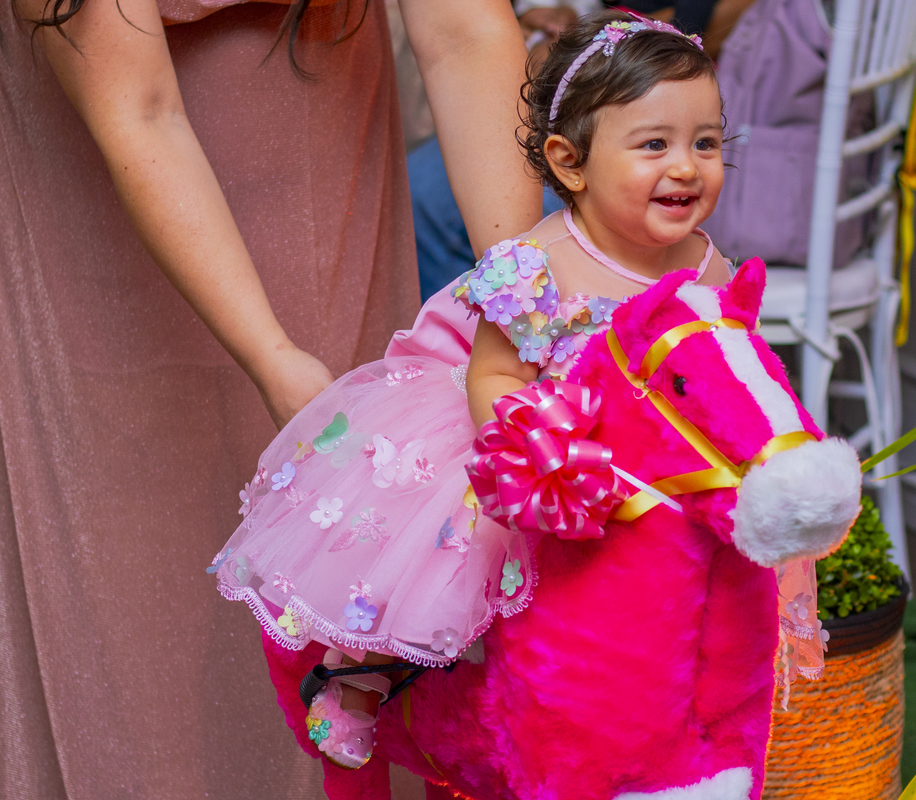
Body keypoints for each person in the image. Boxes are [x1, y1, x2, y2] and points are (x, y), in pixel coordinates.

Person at [213, 12, 813, 787]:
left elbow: (722, 373)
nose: (687, 167)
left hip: (649, 478)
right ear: (570, 162)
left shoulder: (706, 264)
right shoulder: (539, 263)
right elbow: (491, 376)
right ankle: (370, 671)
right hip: (539, 461)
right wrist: (537, 448)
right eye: (654, 145)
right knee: (450, 565)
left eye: (705, 143)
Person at [0, 0, 539, 798]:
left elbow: (464, 33)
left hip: (325, 177)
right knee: (141, 601)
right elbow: (140, 112)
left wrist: (517, 310)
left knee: (360, 577)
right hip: (107, 215)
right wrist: (272, 357)